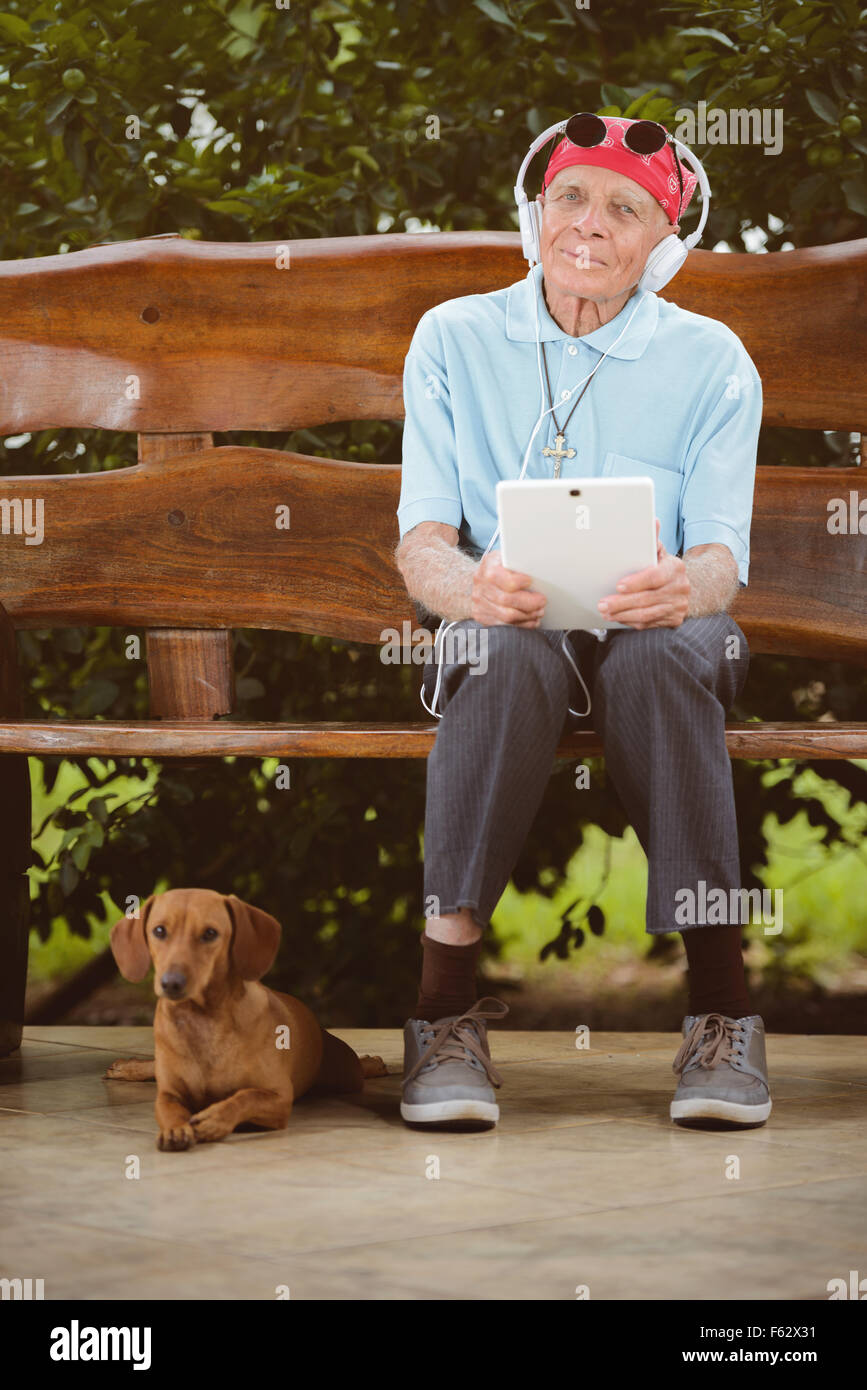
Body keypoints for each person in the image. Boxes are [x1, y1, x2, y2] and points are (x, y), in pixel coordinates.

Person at [394, 114, 771, 1131]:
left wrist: (682, 586)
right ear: (534, 214)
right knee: (501, 648)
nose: (589, 225)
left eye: (624, 208)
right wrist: (470, 588)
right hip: (511, 623)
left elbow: (722, 558)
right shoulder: (454, 339)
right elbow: (423, 542)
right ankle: (440, 1016)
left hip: (667, 630)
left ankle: (723, 1013)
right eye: (571, 197)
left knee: (658, 660)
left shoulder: (713, 358)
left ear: (665, 243)